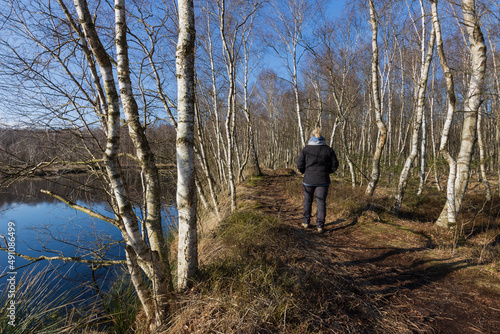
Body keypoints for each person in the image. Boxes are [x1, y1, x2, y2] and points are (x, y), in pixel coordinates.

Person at [296, 128, 338, 234]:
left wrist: (305, 172)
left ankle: (305, 222)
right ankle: (320, 226)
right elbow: (335, 165)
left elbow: (299, 164)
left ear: (311, 136)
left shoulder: (306, 149)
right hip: (323, 180)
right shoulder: (328, 149)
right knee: (321, 202)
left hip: (308, 180)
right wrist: (326, 172)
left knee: (307, 201)